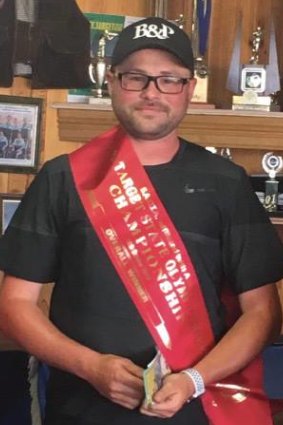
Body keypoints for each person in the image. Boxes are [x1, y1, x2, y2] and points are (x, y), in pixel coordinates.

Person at [0, 16, 283, 425]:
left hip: (196, 410)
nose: (152, 93)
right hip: (80, 410)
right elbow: (14, 305)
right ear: (112, 82)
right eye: (137, 77)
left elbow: (263, 312)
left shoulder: (226, 183)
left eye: (169, 79)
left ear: (188, 89)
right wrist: (89, 367)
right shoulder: (62, 177)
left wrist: (194, 380)